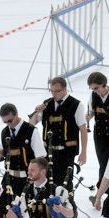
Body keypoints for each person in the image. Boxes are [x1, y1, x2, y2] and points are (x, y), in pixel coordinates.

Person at [30, 77, 88, 207]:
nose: (54, 94)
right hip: (48, 151)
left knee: (65, 181)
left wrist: (84, 152)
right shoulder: (47, 104)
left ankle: (68, 207)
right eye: (51, 91)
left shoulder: (76, 105)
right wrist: (36, 112)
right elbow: (32, 123)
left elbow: (83, 130)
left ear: (64, 89)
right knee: (49, 180)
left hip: (66, 151)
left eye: (57, 91)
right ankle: (51, 206)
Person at [0, 103, 46, 192]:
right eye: (5, 122)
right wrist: (1, 154)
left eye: (10, 121)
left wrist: (36, 177)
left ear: (16, 115)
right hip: (9, 180)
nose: (8, 124)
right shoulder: (4, 132)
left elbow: (40, 158)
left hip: (27, 181)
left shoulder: (31, 131)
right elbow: (7, 154)